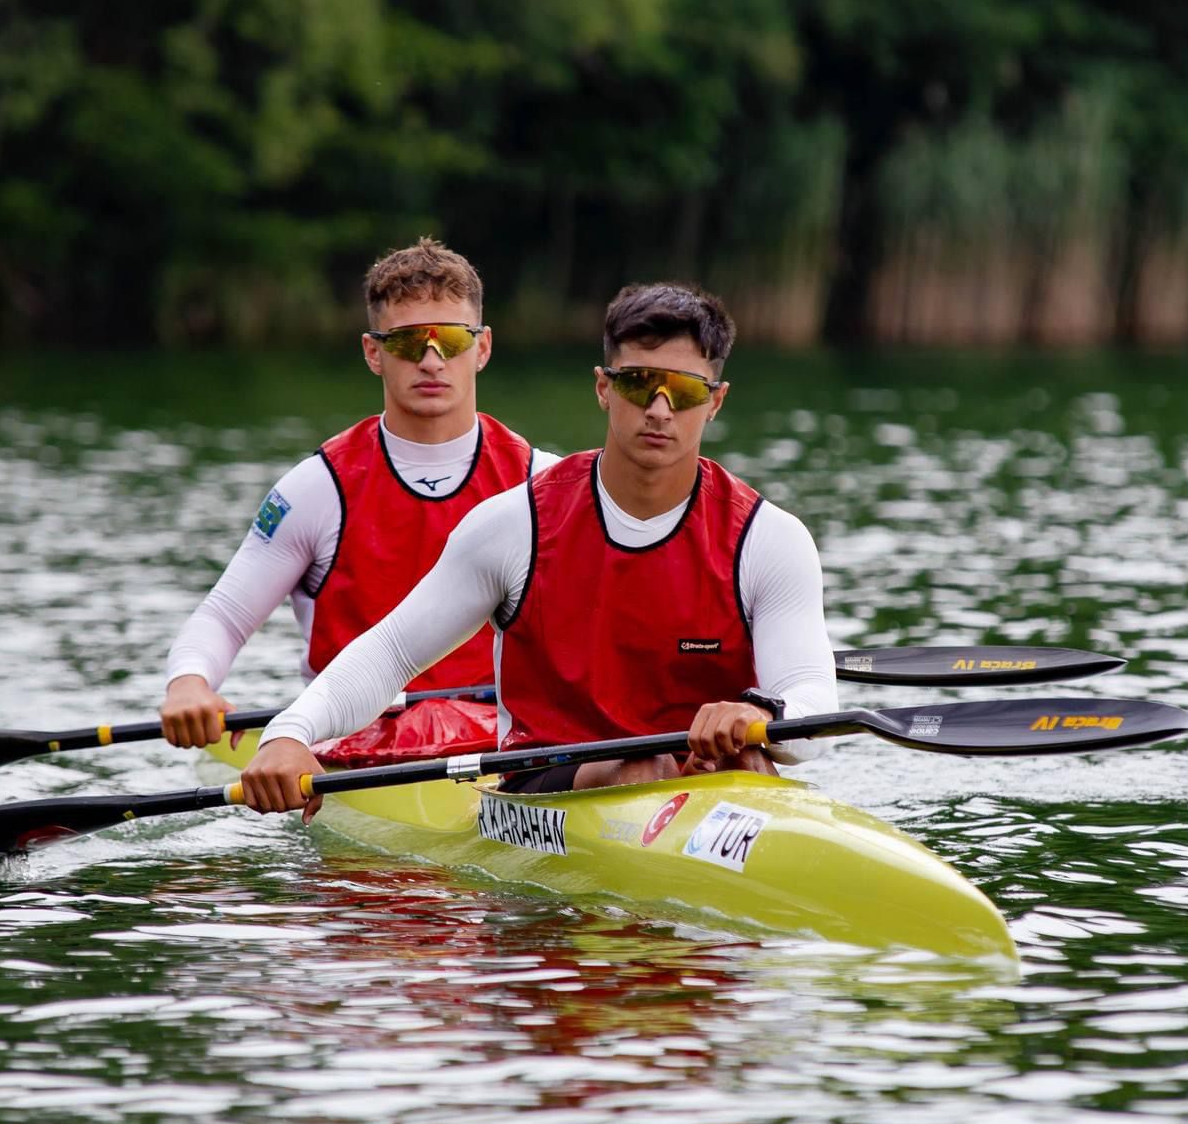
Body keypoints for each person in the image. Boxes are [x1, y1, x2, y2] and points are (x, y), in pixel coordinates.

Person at [236, 282, 836, 815]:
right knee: (642, 769)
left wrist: (764, 718)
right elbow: (392, 654)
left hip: (707, 783)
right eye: (637, 383)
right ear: (604, 389)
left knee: (752, 762)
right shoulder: (515, 524)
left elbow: (813, 704)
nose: (658, 409)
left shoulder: (769, 539)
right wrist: (290, 733)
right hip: (543, 790)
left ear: (716, 400)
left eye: (682, 391)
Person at [159, 238, 559, 752]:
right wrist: (190, 682)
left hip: (499, 745)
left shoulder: (541, 481)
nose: (432, 361)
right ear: (374, 352)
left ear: (481, 348)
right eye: (408, 343)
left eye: (451, 341)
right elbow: (225, 617)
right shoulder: (318, 488)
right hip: (353, 742)